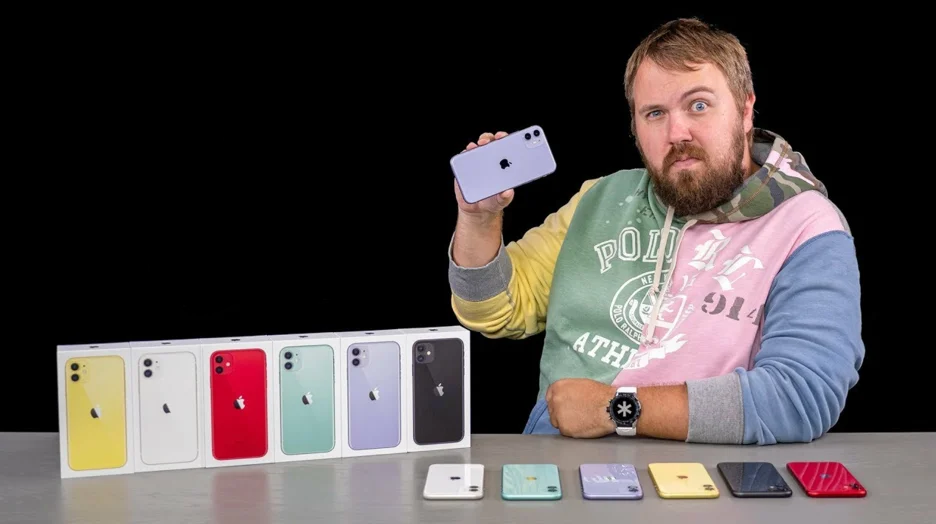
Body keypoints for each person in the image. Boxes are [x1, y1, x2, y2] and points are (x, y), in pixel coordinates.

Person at [446, 17, 864, 445]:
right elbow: (492, 309)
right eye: (655, 113)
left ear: (744, 110)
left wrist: (615, 408)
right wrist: (479, 218)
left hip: (704, 474)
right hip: (562, 464)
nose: (677, 133)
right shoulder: (599, 199)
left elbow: (800, 396)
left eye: (698, 105)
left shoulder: (809, 227)